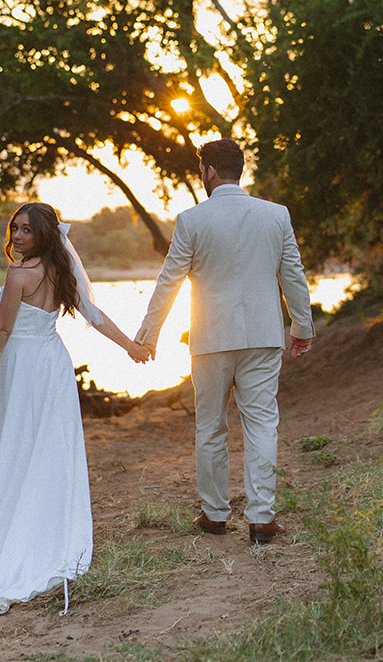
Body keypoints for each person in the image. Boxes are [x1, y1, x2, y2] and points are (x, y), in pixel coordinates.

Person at [0, 201, 151, 615]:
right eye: (14, 229)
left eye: (25, 230)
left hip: (25, 365)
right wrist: (130, 345)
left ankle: (18, 543)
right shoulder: (60, 271)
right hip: (52, 364)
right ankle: (45, 536)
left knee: (22, 450)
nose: (17, 236)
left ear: (42, 234)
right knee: (43, 450)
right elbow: (93, 314)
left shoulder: (19, 274)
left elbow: (3, 329)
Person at [133, 138, 314, 545]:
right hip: (263, 338)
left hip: (210, 339)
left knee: (211, 427)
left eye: (202, 170)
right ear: (240, 170)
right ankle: (261, 518)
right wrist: (301, 327)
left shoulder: (191, 220)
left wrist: (148, 335)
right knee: (262, 424)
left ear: (209, 172)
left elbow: (170, 281)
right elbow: (293, 276)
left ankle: (215, 516)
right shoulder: (276, 215)